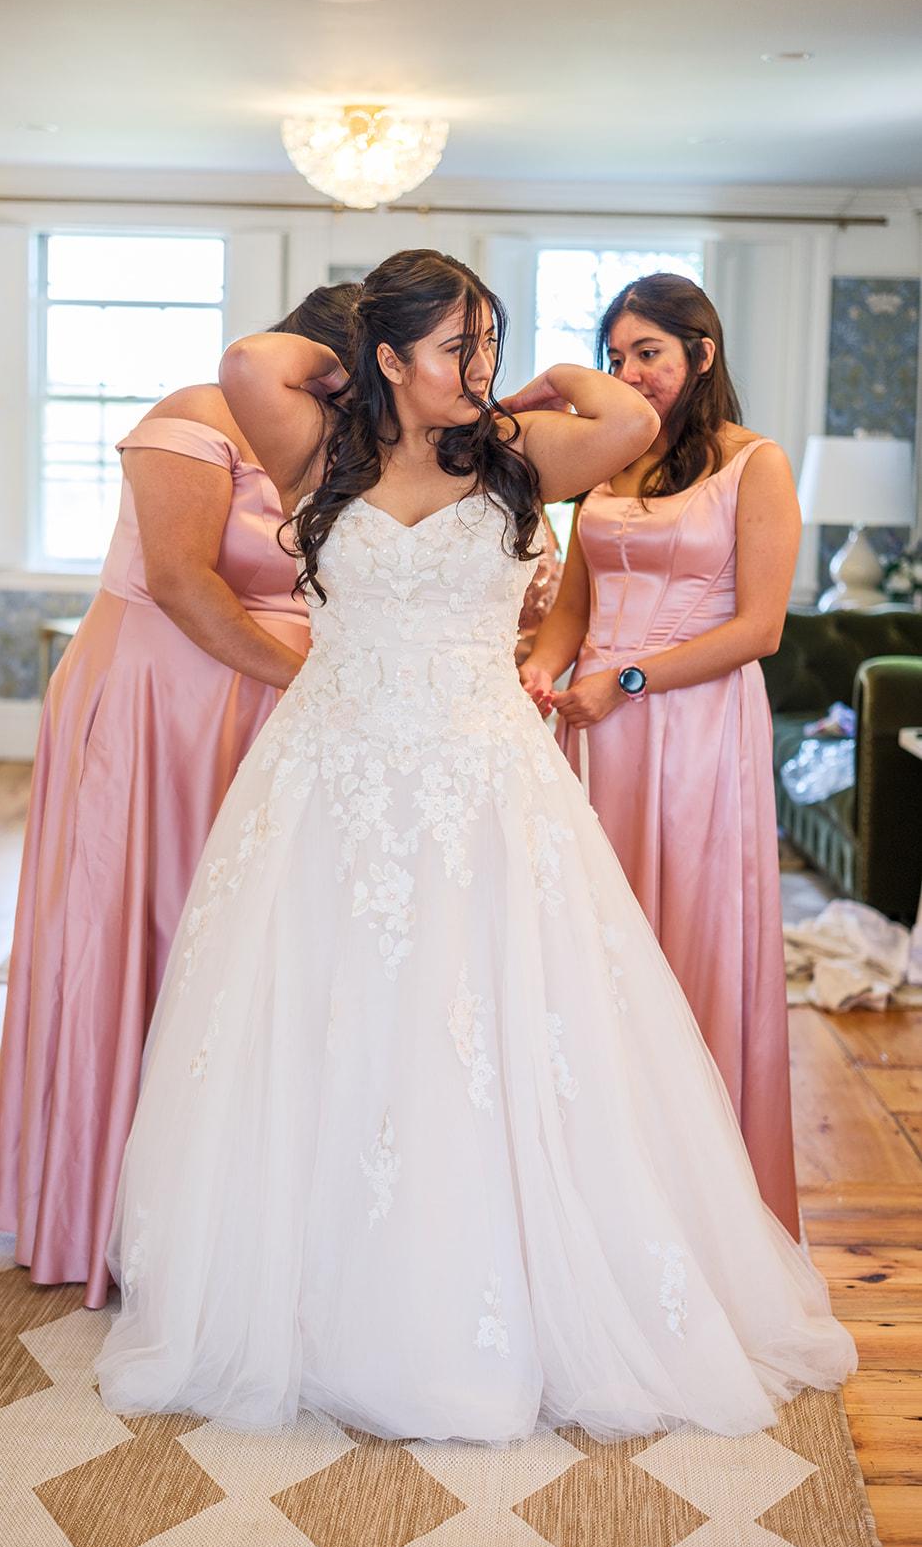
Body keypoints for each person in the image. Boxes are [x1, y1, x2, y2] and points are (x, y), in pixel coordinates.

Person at [95, 250, 854, 1444]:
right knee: (328, 1016)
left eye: (487, 340)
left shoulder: (510, 453)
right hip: (333, 776)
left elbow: (621, 414)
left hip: (479, 780)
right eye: (457, 344)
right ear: (389, 356)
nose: (481, 365)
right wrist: (358, 369)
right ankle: (319, 1296)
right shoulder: (319, 451)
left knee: (482, 1016)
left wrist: (518, 382)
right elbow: (249, 360)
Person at [0, 284, 360, 1309]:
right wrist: (310, 679)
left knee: (243, 942)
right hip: (162, 701)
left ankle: (224, 1205)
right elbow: (185, 583)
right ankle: (98, 1201)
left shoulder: (337, 443)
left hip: (271, 715)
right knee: (140, 925)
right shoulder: (195, 415)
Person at [521, 273, 801, 1237]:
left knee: (682, 930)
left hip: (691, 724)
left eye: (648, 353)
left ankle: (697, 1197)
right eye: (615, 357)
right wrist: (540, 674)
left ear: (701, 354)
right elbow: (573, 606)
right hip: (592, 727)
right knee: (590, 935)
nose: (629, 372)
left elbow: (759, 628)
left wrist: (628, 681)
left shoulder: (753, 463)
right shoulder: (607, 462)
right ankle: (594, 1181)